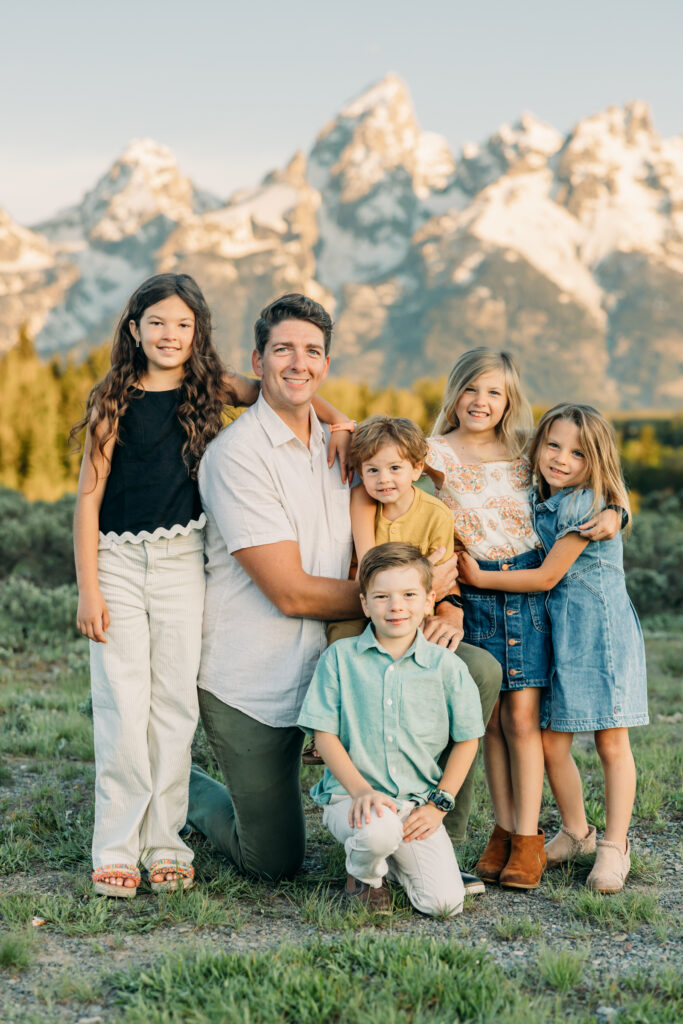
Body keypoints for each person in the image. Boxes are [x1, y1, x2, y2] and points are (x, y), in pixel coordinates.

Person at [185, 293, 461, 882]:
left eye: (312, 352)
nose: (298, 363)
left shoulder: (345, 447)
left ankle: (433, 846)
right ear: (256, 362)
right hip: (255, 679)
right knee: (275, 862)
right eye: (282, 349)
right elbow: (291, 595)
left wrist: (446, 601)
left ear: (326, 365)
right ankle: (186, 788)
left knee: (476, 672)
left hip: (349, 671)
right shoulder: (236, 457)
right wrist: (417, 596)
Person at [71, 273, 262, 897]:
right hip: (117, 563)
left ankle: (165, 841)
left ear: (197, 332)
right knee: (123, 705)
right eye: (157, 322)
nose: (170, 335)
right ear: (134, 330)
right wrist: (89, 589)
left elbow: (283, 393)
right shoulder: (113, 398)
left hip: (185, 562)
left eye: (183, 324)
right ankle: (117, 845)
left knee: (173, 705)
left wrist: (341, 424)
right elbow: (87, 500)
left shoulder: (211, 388)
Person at [424, 349, 623, 889]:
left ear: (509, 400)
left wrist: (617, 511)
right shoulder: (433, 452)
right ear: (454, 392)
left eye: (494, 392)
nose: (480, 402)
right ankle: (505, 831)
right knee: (489, 722)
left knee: (523, 720)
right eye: (471, 389)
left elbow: (591, 474)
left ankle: (531, 838)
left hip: (527, 592)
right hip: (477, 594)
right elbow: (373, 461)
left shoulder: (525, 450)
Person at [459, 404, 647, 894]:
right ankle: (576, 831)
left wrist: (481, 577)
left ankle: (614, 846)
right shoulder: (546, 494)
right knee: (549, 742)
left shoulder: (587, 505)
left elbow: (547, 575)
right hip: (557, 631)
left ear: (597, 461)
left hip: (598, 632)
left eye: (578, 453)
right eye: (554, 445)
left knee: (610, 742)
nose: (562, 459)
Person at [324, 414, 501, 890]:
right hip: (366, 613)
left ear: (418, 467)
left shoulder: (435, 513)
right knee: (342, 642)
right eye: (373, 470)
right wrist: (421, 579)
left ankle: (441, 828)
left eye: (395, 470)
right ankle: (331, 746)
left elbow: (445, 577)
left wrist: (448, 611)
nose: (383, 480)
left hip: (418, 616)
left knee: (479, 669)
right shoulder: (364, 500)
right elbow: (372, 570)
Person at [298, 543, 484, 916]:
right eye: (382, 597)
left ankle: (392, 858)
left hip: (416, 805)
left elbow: (467, 740)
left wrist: (438, 805)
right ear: (365, 604)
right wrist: (361, 790)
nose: (396, 606)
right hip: (352, 799)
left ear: (430, 600)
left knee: (444, 904)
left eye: (409, 595)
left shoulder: (447, 667)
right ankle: (364, 875)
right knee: (378, 829)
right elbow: (324, 735)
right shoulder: (340, 658)